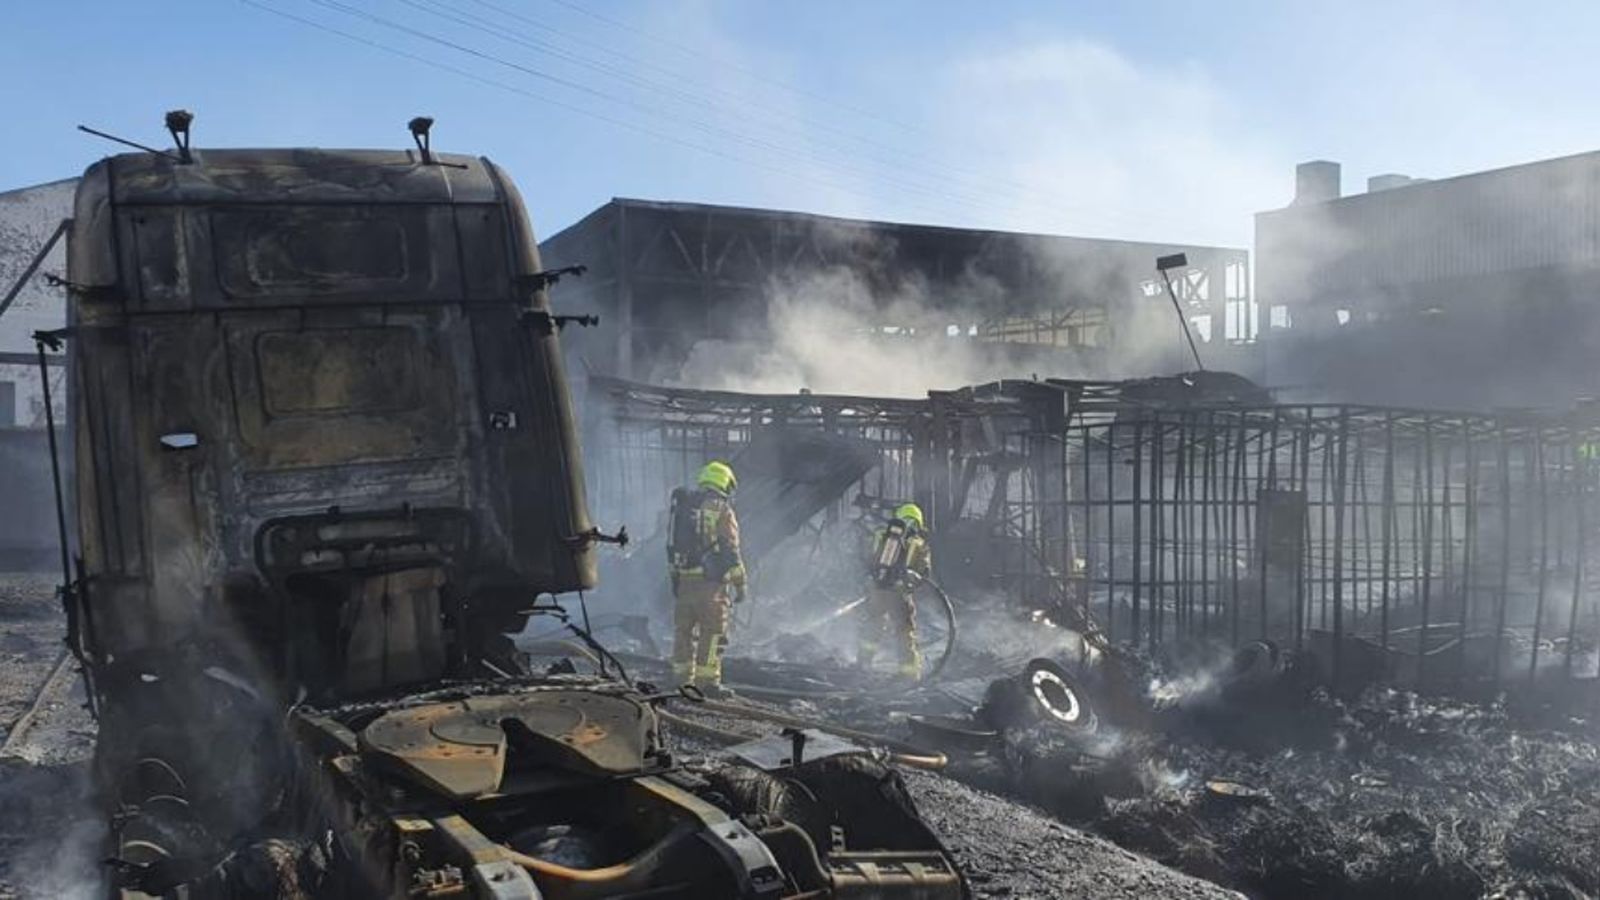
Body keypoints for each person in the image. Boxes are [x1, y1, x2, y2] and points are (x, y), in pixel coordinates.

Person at [667, 460, 746, 692]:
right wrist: (741, 583)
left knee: (683, 631)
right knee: (712, 633)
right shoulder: (721, 508)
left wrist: (675, 580)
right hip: (710, 585)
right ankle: (707, 682)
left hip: (684, 582)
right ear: (725, 483)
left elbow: (670, 546)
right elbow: (730, 549)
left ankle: (680, 679)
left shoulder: (682, 507)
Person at [860, 502, 930, 681]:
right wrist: (911, 581)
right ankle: (909, 674)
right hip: (899, 594)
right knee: (904, 632)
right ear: (917, 523)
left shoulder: (880, 535)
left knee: (872, 627)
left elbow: (867, 559)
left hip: (877, 591)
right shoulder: (918, 543)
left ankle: (863, 664)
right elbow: (924, 572)